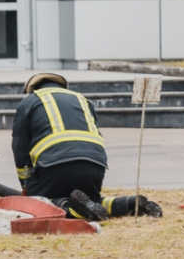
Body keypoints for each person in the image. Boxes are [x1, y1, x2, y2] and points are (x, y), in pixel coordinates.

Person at [12, 72, 162, 219]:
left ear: (32, 89)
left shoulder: (29, 101)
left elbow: (19, 148)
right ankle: (129, 203)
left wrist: (25, 183)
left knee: (35, 203)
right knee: (93, 200)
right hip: (94, 166)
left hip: (53, 166)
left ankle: (71, 208)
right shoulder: (82, 99)